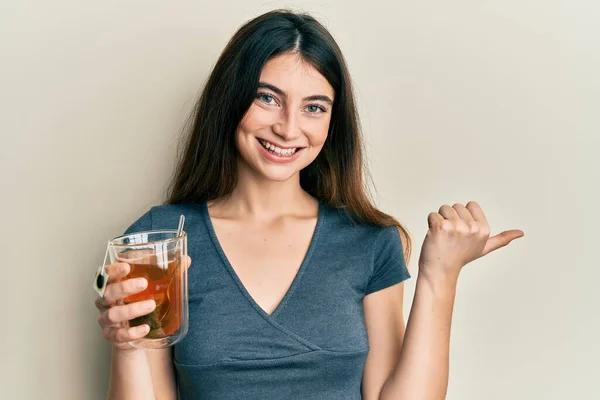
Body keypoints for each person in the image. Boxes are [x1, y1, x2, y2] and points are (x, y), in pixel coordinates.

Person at [94, 9, 524, 400]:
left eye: (314, 107)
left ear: (332, 123)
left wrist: (440, 275)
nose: (288, 128)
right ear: (231, 99)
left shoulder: (369, 241)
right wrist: (128, 346)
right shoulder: (162, 239)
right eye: (267, 98)